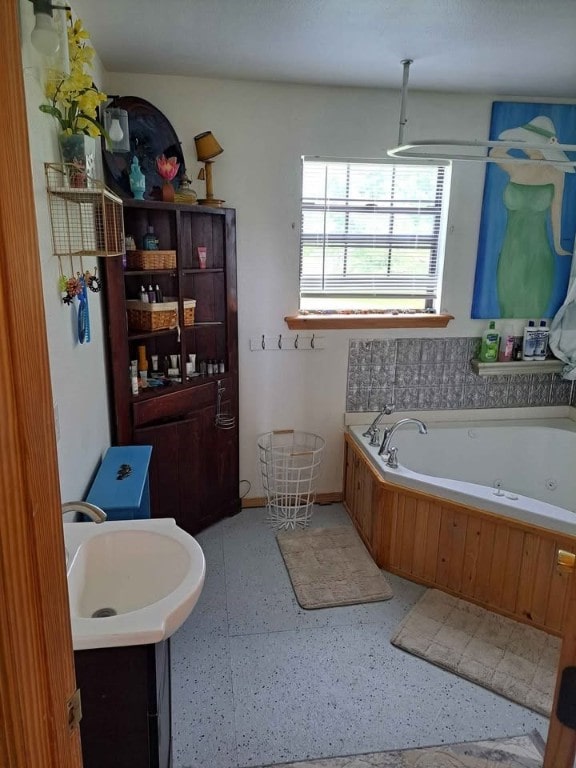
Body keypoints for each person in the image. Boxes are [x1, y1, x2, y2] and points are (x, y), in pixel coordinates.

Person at [489, 115, 574, 317]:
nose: (525, 145)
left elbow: (556, 209)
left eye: (527, 140)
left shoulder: (555, 173)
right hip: (511, 252)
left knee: (535, 306)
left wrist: (558, 245)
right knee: (508, 304)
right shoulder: (516, 167)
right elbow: (495, 151)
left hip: (539, 252)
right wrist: (519, 136)